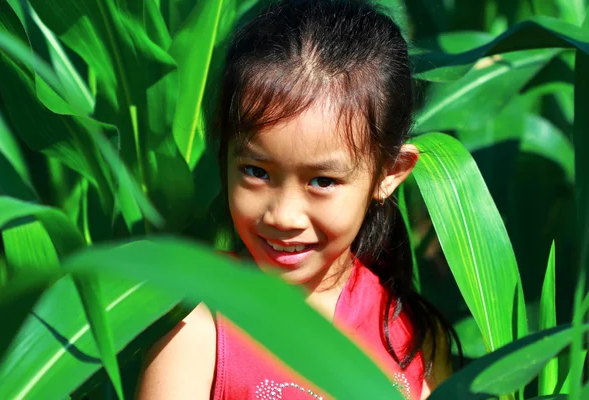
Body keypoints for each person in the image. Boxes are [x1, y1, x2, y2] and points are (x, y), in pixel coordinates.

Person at [137, 0, 460, 399]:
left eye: (322, 181)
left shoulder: (409, 334)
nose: (284, 216)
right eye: (256, 172)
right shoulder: (194, 323)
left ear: (389, 173)